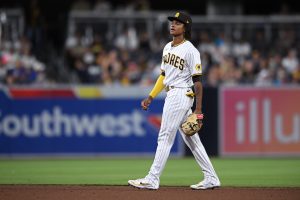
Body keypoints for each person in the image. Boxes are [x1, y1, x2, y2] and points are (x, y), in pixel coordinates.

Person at [128, 11, 221, 190]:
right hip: (173, 93)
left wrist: (199, 110)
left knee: (164, 136)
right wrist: (151, 96)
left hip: (180, 94)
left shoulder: (190, 50)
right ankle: (211, 178)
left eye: (178, 23)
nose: (173, 24)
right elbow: (163, 76)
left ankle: (152, 178)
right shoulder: (167, 47)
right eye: (172, 22)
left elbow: (198, 82)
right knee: (192, 139)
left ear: (185, 28)